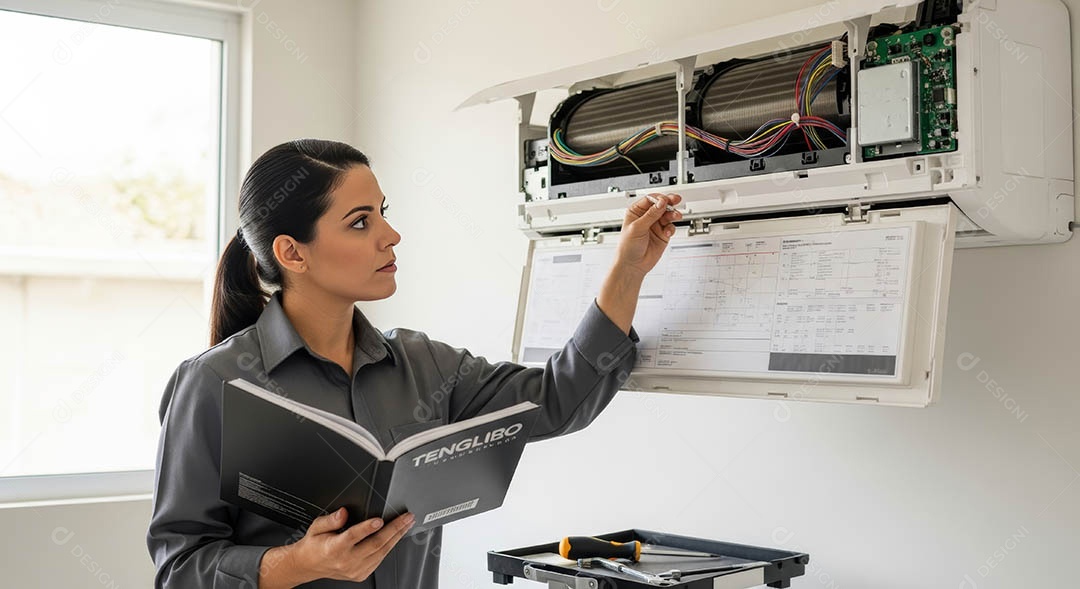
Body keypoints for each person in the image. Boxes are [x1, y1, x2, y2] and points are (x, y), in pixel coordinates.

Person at [145, 139, 683, 588]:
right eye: (360, 222)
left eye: (384, 213)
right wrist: (297, 564)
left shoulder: (425, 363)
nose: (390, 236)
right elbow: (180, 567)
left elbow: (561, 400)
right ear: (292, 253)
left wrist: (628, 270)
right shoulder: (213, 382)